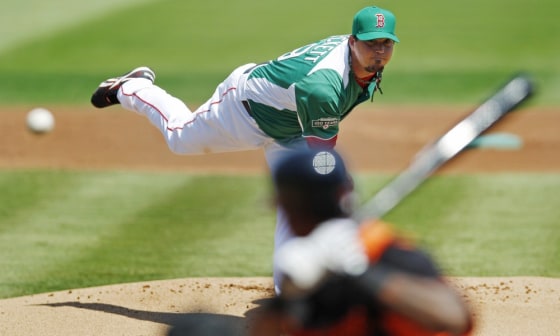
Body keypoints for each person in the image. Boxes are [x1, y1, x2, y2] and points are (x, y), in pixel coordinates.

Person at [90, 6, 399, 292]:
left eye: (386, 43)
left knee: (300, 202)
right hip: (244, 109)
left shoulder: (360, 63)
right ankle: (133, 88)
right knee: (180, 138)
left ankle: (290, 297)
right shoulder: (322, 85)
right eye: (372, 43)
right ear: (353, 41)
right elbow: (321, 160)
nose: (379, 51)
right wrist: (343, 197)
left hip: (291, 125)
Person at [248, 149, 474, 336]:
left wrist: (359, 272)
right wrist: (285, 298)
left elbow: (454, 317)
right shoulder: (303, 261)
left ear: (289, 208)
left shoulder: (382, 250)